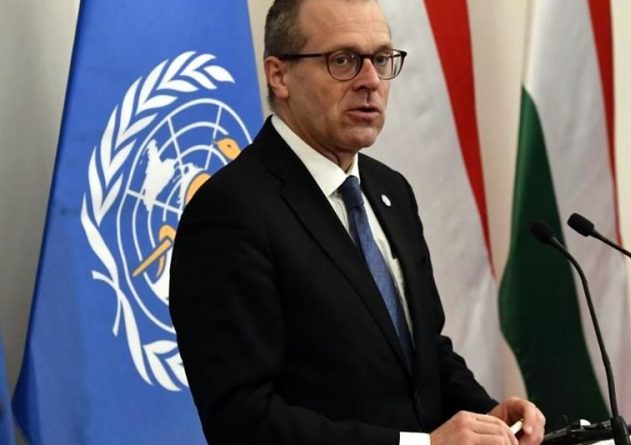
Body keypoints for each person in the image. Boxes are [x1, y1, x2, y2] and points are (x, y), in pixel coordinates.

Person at [169, 0, 546, 443]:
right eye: (343, 60)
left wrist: (487, 415)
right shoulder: (230, 211)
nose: (371, 81)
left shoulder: (391, 191)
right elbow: (242, 420)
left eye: (381, 59)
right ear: (279, 75)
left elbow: (423, 351)